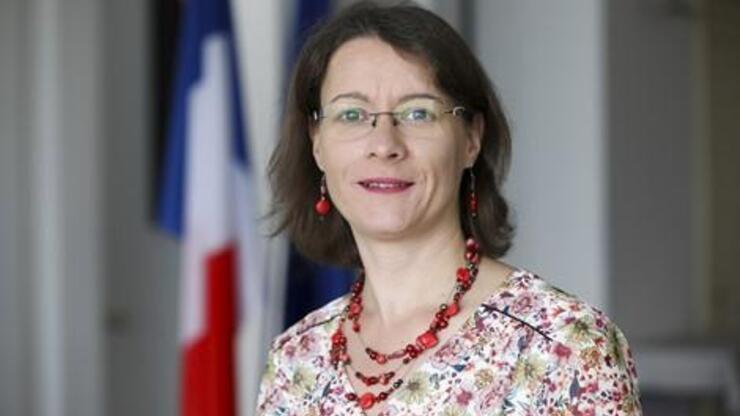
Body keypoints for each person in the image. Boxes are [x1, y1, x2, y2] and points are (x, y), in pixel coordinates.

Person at [257, 2, 641, 415]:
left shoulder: (564, 345)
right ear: (316, 142)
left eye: (418, 113)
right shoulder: (295, 359)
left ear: (471, 139)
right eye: (352, 114)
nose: (384, 144)